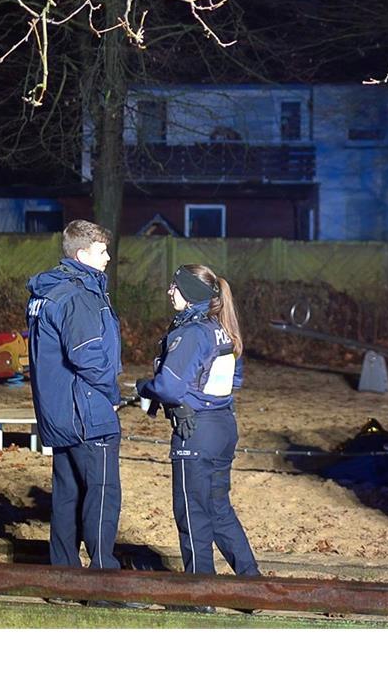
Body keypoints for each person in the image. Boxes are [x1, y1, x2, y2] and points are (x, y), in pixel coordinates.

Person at [136, 264, 260, 577]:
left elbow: (169, 386)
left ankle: (200, 592)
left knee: (192, 514)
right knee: (219, 510)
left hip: (196, 433)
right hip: (223, 427)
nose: (169, 292)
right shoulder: (223, 329)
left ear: (190, 292)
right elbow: (236, 380)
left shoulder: (191, 333)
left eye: (174, 286)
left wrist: (144, 388)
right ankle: (251, 582)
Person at [26, 219, 123, 570]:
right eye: (101, 251)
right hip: (89, 414)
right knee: (102, 495)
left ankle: (64, 576)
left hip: (60, 414)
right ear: (82, 254)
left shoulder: (47, 293)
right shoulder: (78, 295)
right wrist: (111, 392)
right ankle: (102, 578)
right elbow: (87, 354)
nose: (108, 257)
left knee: (67, 496)